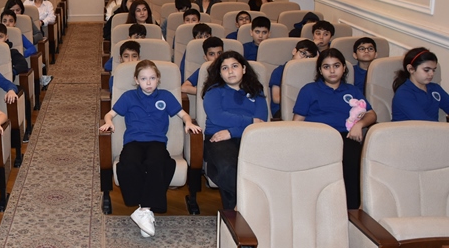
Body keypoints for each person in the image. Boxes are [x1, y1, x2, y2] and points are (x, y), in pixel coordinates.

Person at [99, 60, 201, 237]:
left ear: (158, 79)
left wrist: (189, 123)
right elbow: (110, 114)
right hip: (133, 141)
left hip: (157, 142)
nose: (148, 82)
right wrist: (108, 122)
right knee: (128, 164)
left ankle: (144, 210)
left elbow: (183, 114)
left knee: (158, 163)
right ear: (136, 80)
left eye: (152, 78)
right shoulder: (129, 96)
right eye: (144, 78)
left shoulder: (166, 96)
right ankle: (145, 211)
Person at [293, 49, 377, 209]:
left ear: (344, 68)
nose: (332, 71)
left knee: (353, 162)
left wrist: (359, 124)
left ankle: (350, 210)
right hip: (316, 137)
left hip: (346, 136)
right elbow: (297, 122)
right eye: (326, 67)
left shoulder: (352, 90)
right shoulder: (309, 89)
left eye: (336, 66)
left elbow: (371, 114)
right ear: (320, 70)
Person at [202, 51, 268, 210]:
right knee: (228, 168)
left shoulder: (256, 90)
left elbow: (260, 120)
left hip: (251, 136)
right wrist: (249, 121)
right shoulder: (213, 91)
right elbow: (218, 117)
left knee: (263, 167)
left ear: (244, 69)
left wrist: (232, 132)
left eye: (234, 66)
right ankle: (244, 208)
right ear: (220, 73)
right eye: (225, 68)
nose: (230, 71)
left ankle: (237, 209)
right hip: (218, 137)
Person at [392, 47, 449, 122]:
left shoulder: (435, 88)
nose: (432, 74)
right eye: (426, 70)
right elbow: (423, 122)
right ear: (411, 69)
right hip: (411, 129)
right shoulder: (403, 93)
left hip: (433, 128)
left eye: (433, 70)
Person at [268, 39, 318, 118]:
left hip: (307, 109)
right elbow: (276, 98)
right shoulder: (279, 71)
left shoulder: (311, 73)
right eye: (303, 53)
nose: (305, 59)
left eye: (309, 57)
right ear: (294, 51)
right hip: (282, 109)